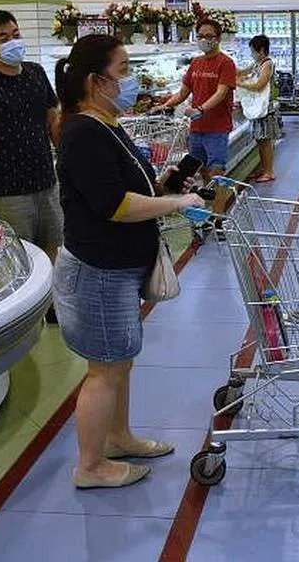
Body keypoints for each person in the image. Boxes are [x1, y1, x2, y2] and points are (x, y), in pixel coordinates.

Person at [53, 34, 204, 489]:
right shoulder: (82, 132)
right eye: (123, 69)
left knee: (119, 361)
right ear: (95, 81)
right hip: (98, 270)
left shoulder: (107, 124)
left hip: (118, 266)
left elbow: (128, 186)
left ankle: (117, 437)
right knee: (104, 369)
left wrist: (165, 186)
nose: (130, 78)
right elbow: (114, 205)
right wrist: (175, 204)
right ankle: (90, 466)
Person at [0, 9, 63, 263]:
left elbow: (53, 118)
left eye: (16, 34)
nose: (13, 42)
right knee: (18, 255)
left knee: (52, 246)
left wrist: (68, 154)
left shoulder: (36, 72)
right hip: (8, 190)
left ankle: (52, 290)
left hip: (46, 180)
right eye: (3, 38)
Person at [152, 18, 237, 217]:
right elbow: (183, 92)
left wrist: (201, 109)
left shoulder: (226, 63)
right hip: (196, 128)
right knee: (200, 170)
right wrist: (164, 105)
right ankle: (206, 211)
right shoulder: (196, 63)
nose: (204, 40)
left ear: (218, 38)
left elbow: (221, 92)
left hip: (217, 128)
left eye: (209, 36)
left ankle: (218, 218)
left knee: (217, 173)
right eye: (200, 36)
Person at [238, 34, 281, 182]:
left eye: (253, 51)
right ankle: (263, 168)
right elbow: (242, 72)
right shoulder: (257, 63)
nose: (252, 54)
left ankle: (269, 171)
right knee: (260, 139)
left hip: (266, 109)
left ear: (261, 50)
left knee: (265, 140)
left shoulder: (267, 64)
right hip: (259, 108)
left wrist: (241, 84)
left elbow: (259, 85)